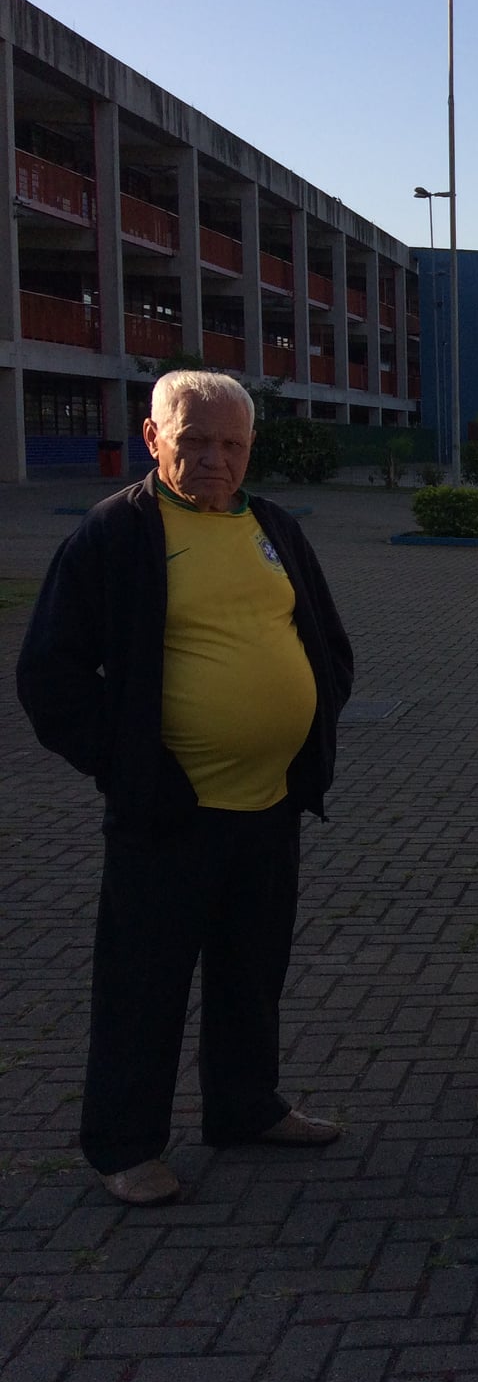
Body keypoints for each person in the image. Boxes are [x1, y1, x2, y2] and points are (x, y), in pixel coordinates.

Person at [18, 370, 354, 1207]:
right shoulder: (114, 534)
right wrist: (131, 768)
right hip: (169, 811)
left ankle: (246, 1107)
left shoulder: (271, 524)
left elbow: (322, 637)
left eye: (232, 444)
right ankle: (126, 1145)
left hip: (269, 802)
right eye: (195, 441)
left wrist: (307, 726)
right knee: (144, 982)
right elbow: (50, 676)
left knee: (252, 970)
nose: (215, 458)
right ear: (153, 437)